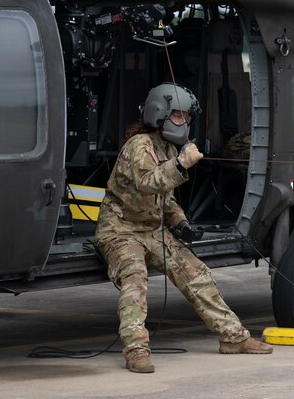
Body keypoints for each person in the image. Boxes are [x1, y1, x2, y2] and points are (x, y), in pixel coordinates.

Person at [94, 83, 272, 374]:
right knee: (135, 280)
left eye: (186, 116)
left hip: (152, 230)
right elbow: (149, 182)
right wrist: (180, 164)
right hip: (120, 230)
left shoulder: (165, 146)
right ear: (159, 114)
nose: (183, 122)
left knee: (196, 274)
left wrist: (180, 223)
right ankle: (136, 350)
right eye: (177, 115)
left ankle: (233, 337)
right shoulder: (139, 146)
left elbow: (165, 199)